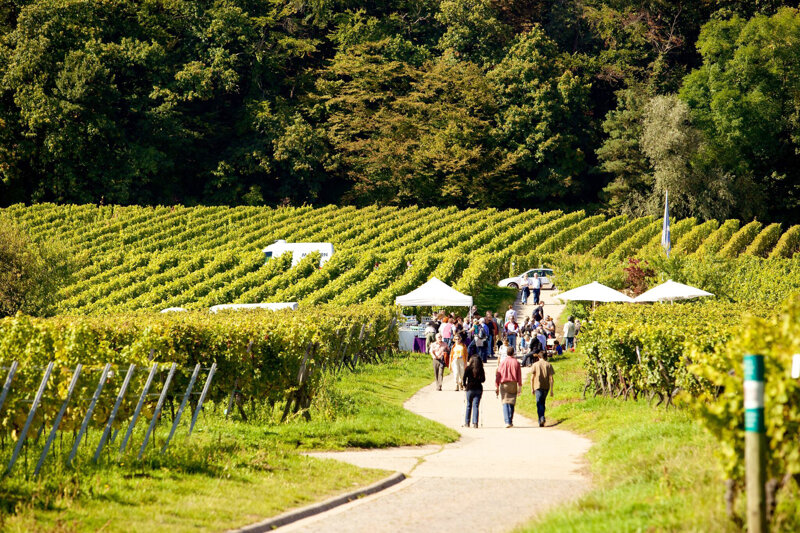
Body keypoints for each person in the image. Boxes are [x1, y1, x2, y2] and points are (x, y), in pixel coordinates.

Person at [495, 349, 522, 428]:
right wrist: (519, 386)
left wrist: (497, 385)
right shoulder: (516, 362)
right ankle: (510, 419)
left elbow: (498, 375)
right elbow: (519, 375)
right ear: (513, 353)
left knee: (505, 402)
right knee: (512, 402)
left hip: (504, 384)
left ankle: (507, 421)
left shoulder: (502, 362)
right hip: (513, 383)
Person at [530, 351, 555, 427]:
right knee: (542, 402)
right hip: (546, 386)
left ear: (539, 357)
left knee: (539, 403)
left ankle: (541, 418)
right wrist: (551, 390)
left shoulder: (535, 365)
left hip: (538, 386)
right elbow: (551, 379)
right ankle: (542, 418)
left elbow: (532, 378)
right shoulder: (548, 365)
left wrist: (532, 388)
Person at [463, 355, 485, 428]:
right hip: (478, 388)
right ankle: (475, 423)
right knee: (476, 406)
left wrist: (464, 385)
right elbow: (483, 380)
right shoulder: (480, 369)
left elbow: (464, 378)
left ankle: (467, 422)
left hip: (469, 388)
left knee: (468, 405)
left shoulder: (468, 368)